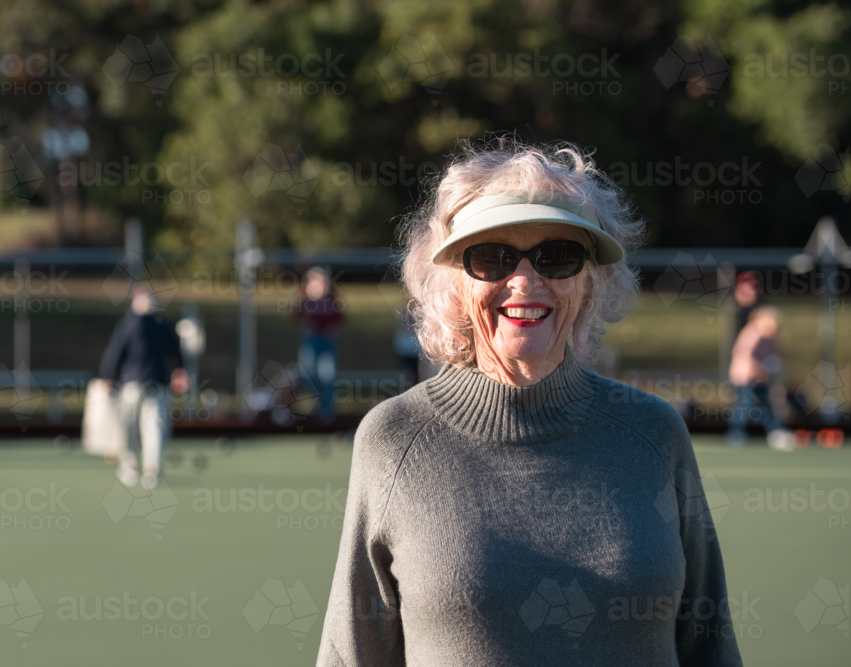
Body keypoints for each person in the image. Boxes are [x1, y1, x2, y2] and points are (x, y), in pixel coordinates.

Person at [316, 141, 742, 666]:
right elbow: (351, 656)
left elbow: (710, 647)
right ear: (452, 284)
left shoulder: (654, 433)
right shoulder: (394, 439)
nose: (524, 281)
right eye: (491, 257)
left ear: (590, 282)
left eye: (557, 256)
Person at [99, 286, 189, 488]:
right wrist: (179, 371)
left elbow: (114, 353)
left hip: (134, 385)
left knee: (130, 429)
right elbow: (177, 353)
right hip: (155, 384)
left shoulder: (129, 324)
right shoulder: (162, 324)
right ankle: (151, 472)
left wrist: (107, 377)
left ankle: (131, 468)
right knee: (154, 429)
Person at [726, 306, 792, 450]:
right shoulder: (751, 334)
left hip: (762, 379)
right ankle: (736, 432)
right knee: (746, 404)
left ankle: (775, 431)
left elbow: (777, 353)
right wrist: (756, 369)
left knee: (767, 405)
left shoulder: (770, 337)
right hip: (745, 378)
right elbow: (743, 354)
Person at [291, 266, 344, 422]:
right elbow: (296, 316)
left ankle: (327, 410)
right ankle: (317, 402)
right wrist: (305, 326)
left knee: (327, 374)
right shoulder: (305, 300)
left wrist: (333, 329)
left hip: (327, 341)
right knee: (309, 373)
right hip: (311, 340)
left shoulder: (331, 300)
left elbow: (339, 319)